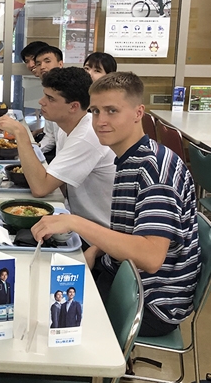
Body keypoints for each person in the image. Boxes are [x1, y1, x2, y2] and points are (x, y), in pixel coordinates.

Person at [32, 72, 200, 337]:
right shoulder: (129, 157)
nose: (101, 121)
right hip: (122, 273)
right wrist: (97, 250)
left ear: (138, 113)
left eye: (112, 111)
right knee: (37, 286)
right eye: (96, 111)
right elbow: (133, 230)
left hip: (151, 301)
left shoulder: (154, 171)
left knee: (44, 313)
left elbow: (150, 257)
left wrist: (76, 223)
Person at [0, 66, 115, 229]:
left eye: (50, 98)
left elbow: (40, 188)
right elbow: (59, 183)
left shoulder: (86, 136)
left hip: (97, 233)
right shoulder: (66, 128)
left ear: (73, 106)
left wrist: (20, 133)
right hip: (75, 217)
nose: (41, 101)